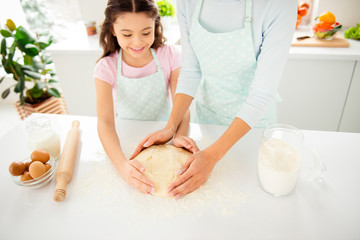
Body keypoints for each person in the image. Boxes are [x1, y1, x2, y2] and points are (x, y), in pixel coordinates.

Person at [131, 0, 297, 199]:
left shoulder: (278, 4)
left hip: (253, 127)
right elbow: (192, 71)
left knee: (248, 194)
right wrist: (171, 126)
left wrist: (212, 156)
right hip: (209, 119)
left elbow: (261, 94)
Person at [94, 0, 198, 195]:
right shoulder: (106, 67)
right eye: (127, 34)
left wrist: (180, 136)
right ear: (113, 30)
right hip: (126, 143)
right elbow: (105, 123)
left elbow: (181, 108)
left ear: (155, 25)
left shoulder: (170, 56)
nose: (137, 42)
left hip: (167, 133)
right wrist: (122, 166)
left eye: (146, 32)